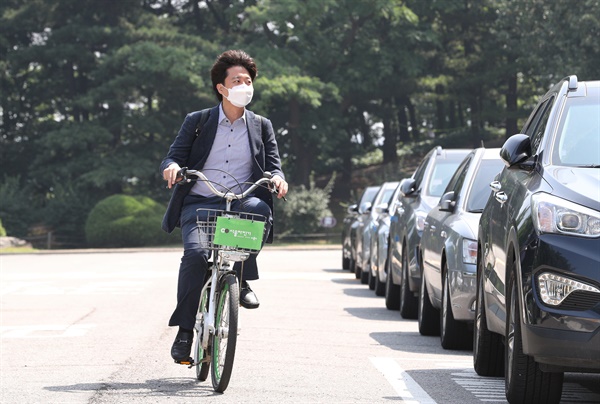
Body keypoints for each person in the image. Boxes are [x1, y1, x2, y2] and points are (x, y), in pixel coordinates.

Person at [160, 49, 288, 362]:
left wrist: (279, 178)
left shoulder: (261, 125)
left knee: (260, 210)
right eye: (237, 80)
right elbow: (173, 155)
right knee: (196, 257)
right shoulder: (198, 121)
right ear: (222, 87)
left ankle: (242, 278)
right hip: (200, 202)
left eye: (248, 80)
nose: (245, 85)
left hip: (241, 203)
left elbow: (274, 164)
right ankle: (185, 331)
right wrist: (173, 167)